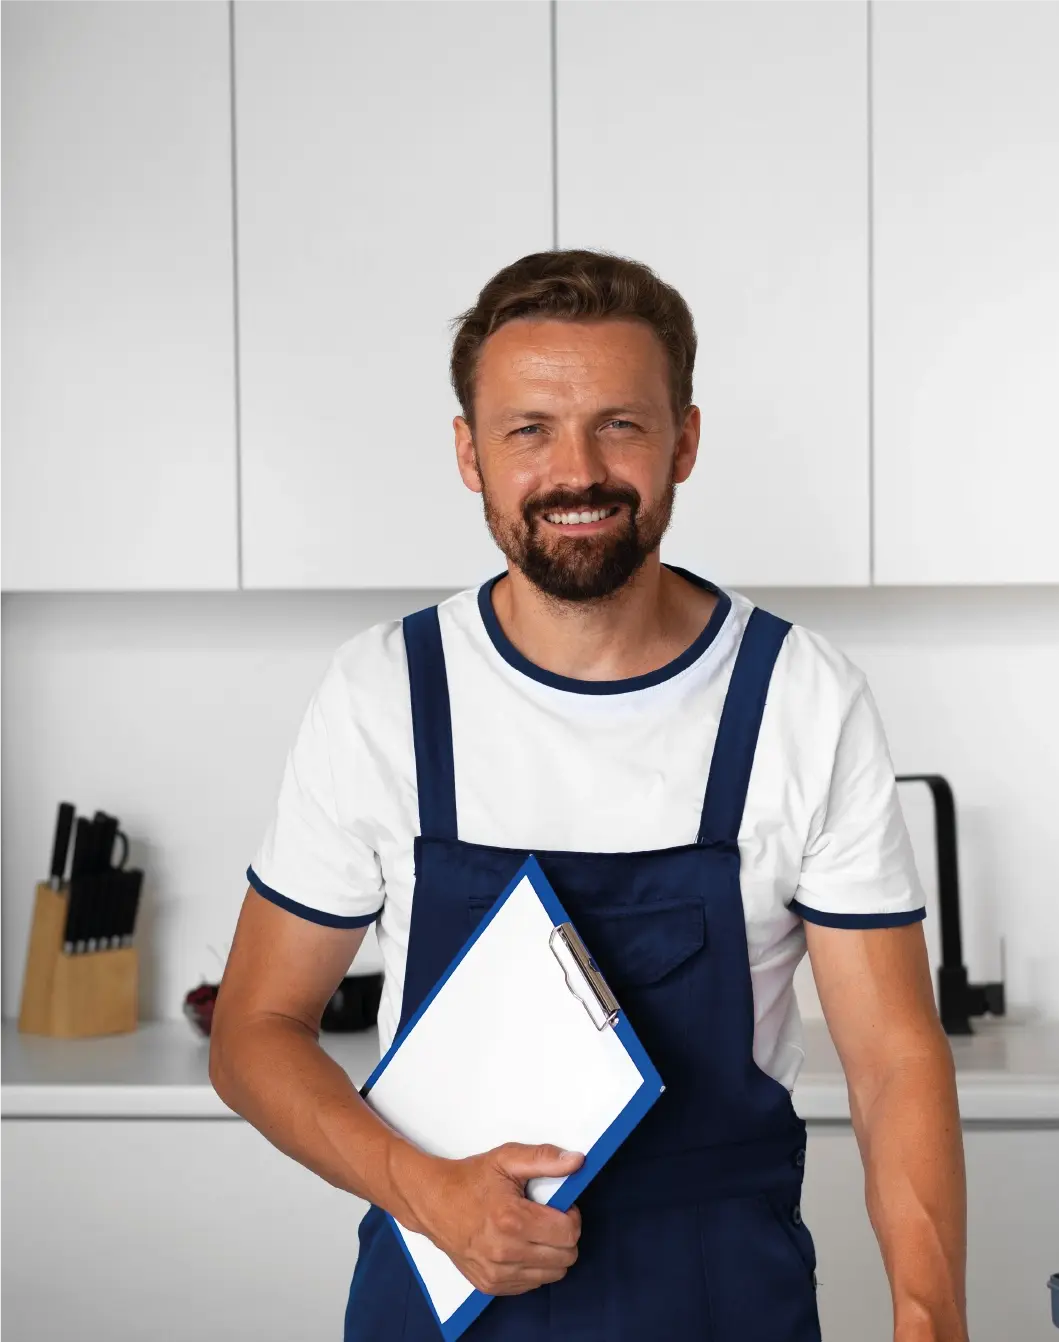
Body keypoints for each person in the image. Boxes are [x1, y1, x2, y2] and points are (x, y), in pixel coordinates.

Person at [210, 250, 968, 1342]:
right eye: (528, 429)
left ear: (684, 441)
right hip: (443, 1287)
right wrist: (426, 1190)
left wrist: (927, 1317)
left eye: (619, 423)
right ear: (469, 453)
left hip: (720, 1294)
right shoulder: (384, 693)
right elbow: (253, 1028)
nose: (576, 470)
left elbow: (894, 1056)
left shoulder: (798, 697)